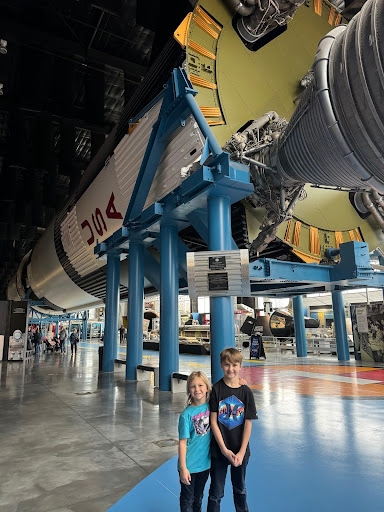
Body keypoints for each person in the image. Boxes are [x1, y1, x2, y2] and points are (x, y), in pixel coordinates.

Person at [207, 348, 257, 512]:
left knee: (240, 489)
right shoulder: (216, 389)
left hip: (240, 450)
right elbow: (213, 422)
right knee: (216, 492)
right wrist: (223, 449)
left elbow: (248, 423)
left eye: (234, 365)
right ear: (221, 365)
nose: (231, 369)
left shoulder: (246, 391)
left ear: (240, 366)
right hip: (219, 451)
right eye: (227, 364)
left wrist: (242, 452)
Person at [178, 371, 211, 512]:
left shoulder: (211, 406)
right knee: (187, 500)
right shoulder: (186, 415)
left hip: (205, 465)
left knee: (198, 498)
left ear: (207, 387)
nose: (197, 389)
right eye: (193, 386)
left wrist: (240, 381)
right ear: (188, 391)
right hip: (190, 466)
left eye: (200, 385)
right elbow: (182, 443)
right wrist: (183, 468)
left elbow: (227, 387)